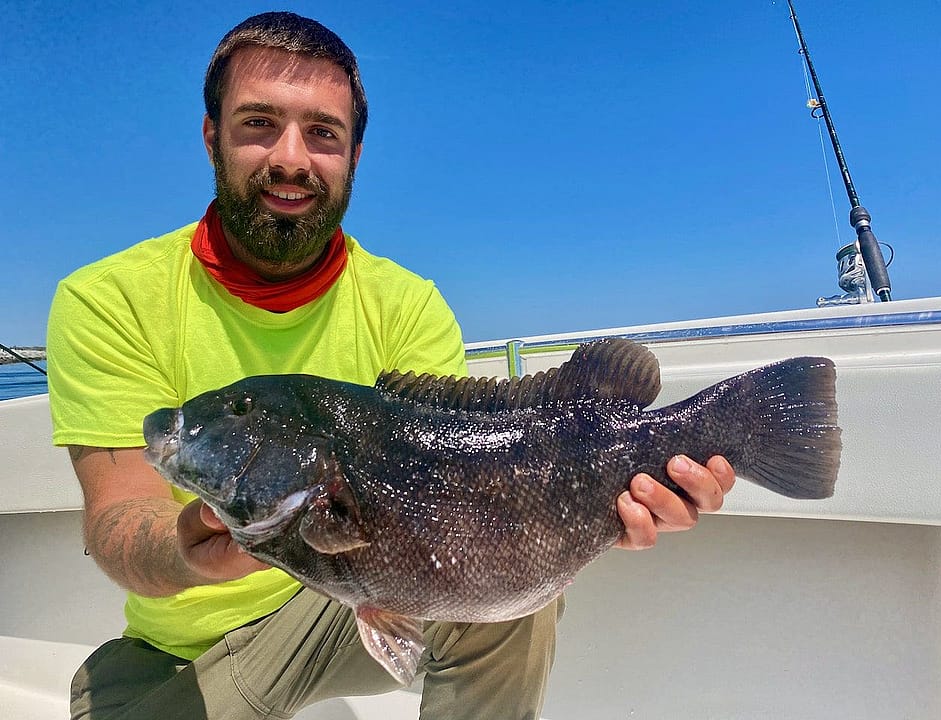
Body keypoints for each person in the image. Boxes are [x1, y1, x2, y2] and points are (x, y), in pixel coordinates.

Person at [47, 11, 735, 720]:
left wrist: (611, 501)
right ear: (211, 136)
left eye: (323, 133)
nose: (291, 158)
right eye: (258, 124)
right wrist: (193, 549)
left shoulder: (407, 303)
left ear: (355, 154)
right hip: (182, 651)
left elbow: (474, 491)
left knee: (513, 609)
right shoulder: (107, 299)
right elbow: (118, 522)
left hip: (344, 605)